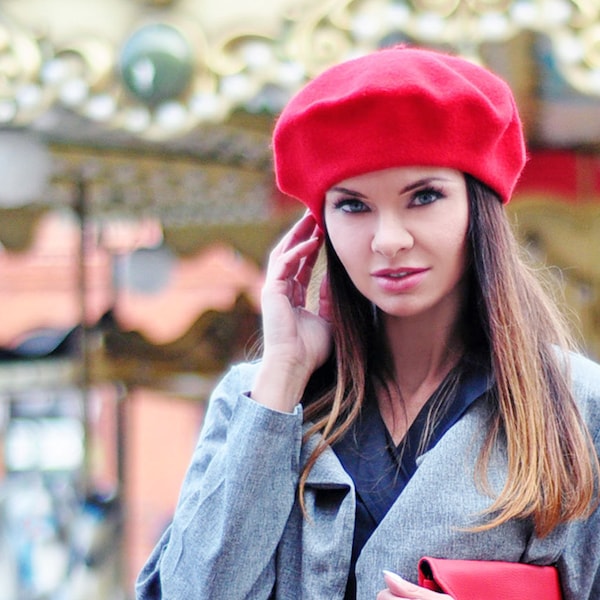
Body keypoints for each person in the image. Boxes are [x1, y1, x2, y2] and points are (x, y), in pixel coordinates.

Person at [135, 45, 600, 600]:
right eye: (353, 206)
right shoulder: (253, 402)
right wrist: (283, 371)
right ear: (319, 228)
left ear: (479, 208)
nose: (388, 240)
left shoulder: (576, 405)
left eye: (424, 197)